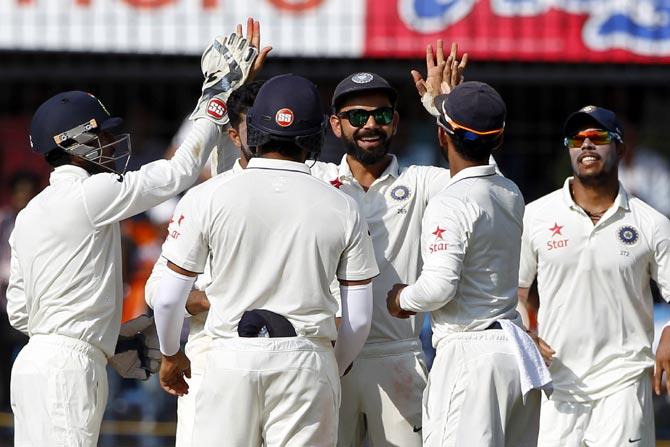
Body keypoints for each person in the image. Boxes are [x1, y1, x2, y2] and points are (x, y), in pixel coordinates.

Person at [6, 20, 268, 447]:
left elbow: (20, 312)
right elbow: (179, 172)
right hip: (69, 368)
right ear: (73, 143)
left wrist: (107, 336)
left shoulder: (31, 213)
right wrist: (216, 95)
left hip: (35, 364)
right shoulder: (91, 194)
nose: (111, 145)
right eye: (102, 136)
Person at [152, 74, 379, 446]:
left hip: (229, 357)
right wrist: (327, 367)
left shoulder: (207, 196)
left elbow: (166, 298)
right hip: (306, 356)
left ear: (251, 132)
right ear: (314, 134)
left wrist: (170, 355)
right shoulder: (343, 206)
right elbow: (359, 319)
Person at [387, 81, 552, 446]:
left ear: (442, 138)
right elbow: (483, 160)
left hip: (470, 354)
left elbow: (439, 288)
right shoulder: (510, 192)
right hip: (515, 355)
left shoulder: (450, 201)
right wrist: (446, 109)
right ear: (500, 139)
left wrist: (401, 299)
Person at [518, 105, 670, 446]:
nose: (586, 145)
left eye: (598, 137)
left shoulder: (651, 223)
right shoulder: (535, 216)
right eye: (577, 139)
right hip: (558, 382)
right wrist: (522, 330)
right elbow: (515, 290)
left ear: (620, 149)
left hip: (624, 381)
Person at [144, 80, 264, 447]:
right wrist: (216, 301)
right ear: (231, 134)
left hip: (282, 353)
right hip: (213, 352)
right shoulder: (202, 199)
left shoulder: (317, 189)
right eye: (252, 128)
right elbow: (158, 292)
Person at [0, 171, 39, 410]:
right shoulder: (3, 222)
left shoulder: (40, 223)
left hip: (31, 308)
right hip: (2, 309)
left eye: (28, 192)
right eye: (19, 192)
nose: (22, 197)